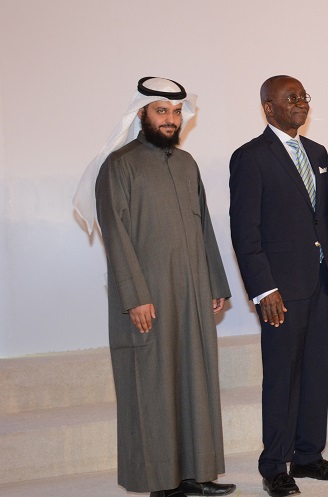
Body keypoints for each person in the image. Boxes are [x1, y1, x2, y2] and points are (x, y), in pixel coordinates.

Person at [83, 77, 235, 497]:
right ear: (141, 114)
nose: (170, 120)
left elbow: (203, 226)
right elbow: (116, 234)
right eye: (161, 112)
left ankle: (195, 474)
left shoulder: (187, 164)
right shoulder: (120, 164)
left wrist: (215, 282)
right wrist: (135, 297)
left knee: (194, 381)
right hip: (148, 298)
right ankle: (160, 483)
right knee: (152, 387)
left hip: (191, 295)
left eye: (175, 112)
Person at [230, 75, 328, 497]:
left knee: (316, 372)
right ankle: (273, 465)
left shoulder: (317, 152)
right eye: (290, 98)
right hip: (280, 290)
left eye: (303, 97)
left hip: (319, 283)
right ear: (268, 108)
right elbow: (245, 231)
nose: (300, 104)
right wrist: (264, 290)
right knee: (282, 377)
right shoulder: (250, 157)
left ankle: (308, 455)